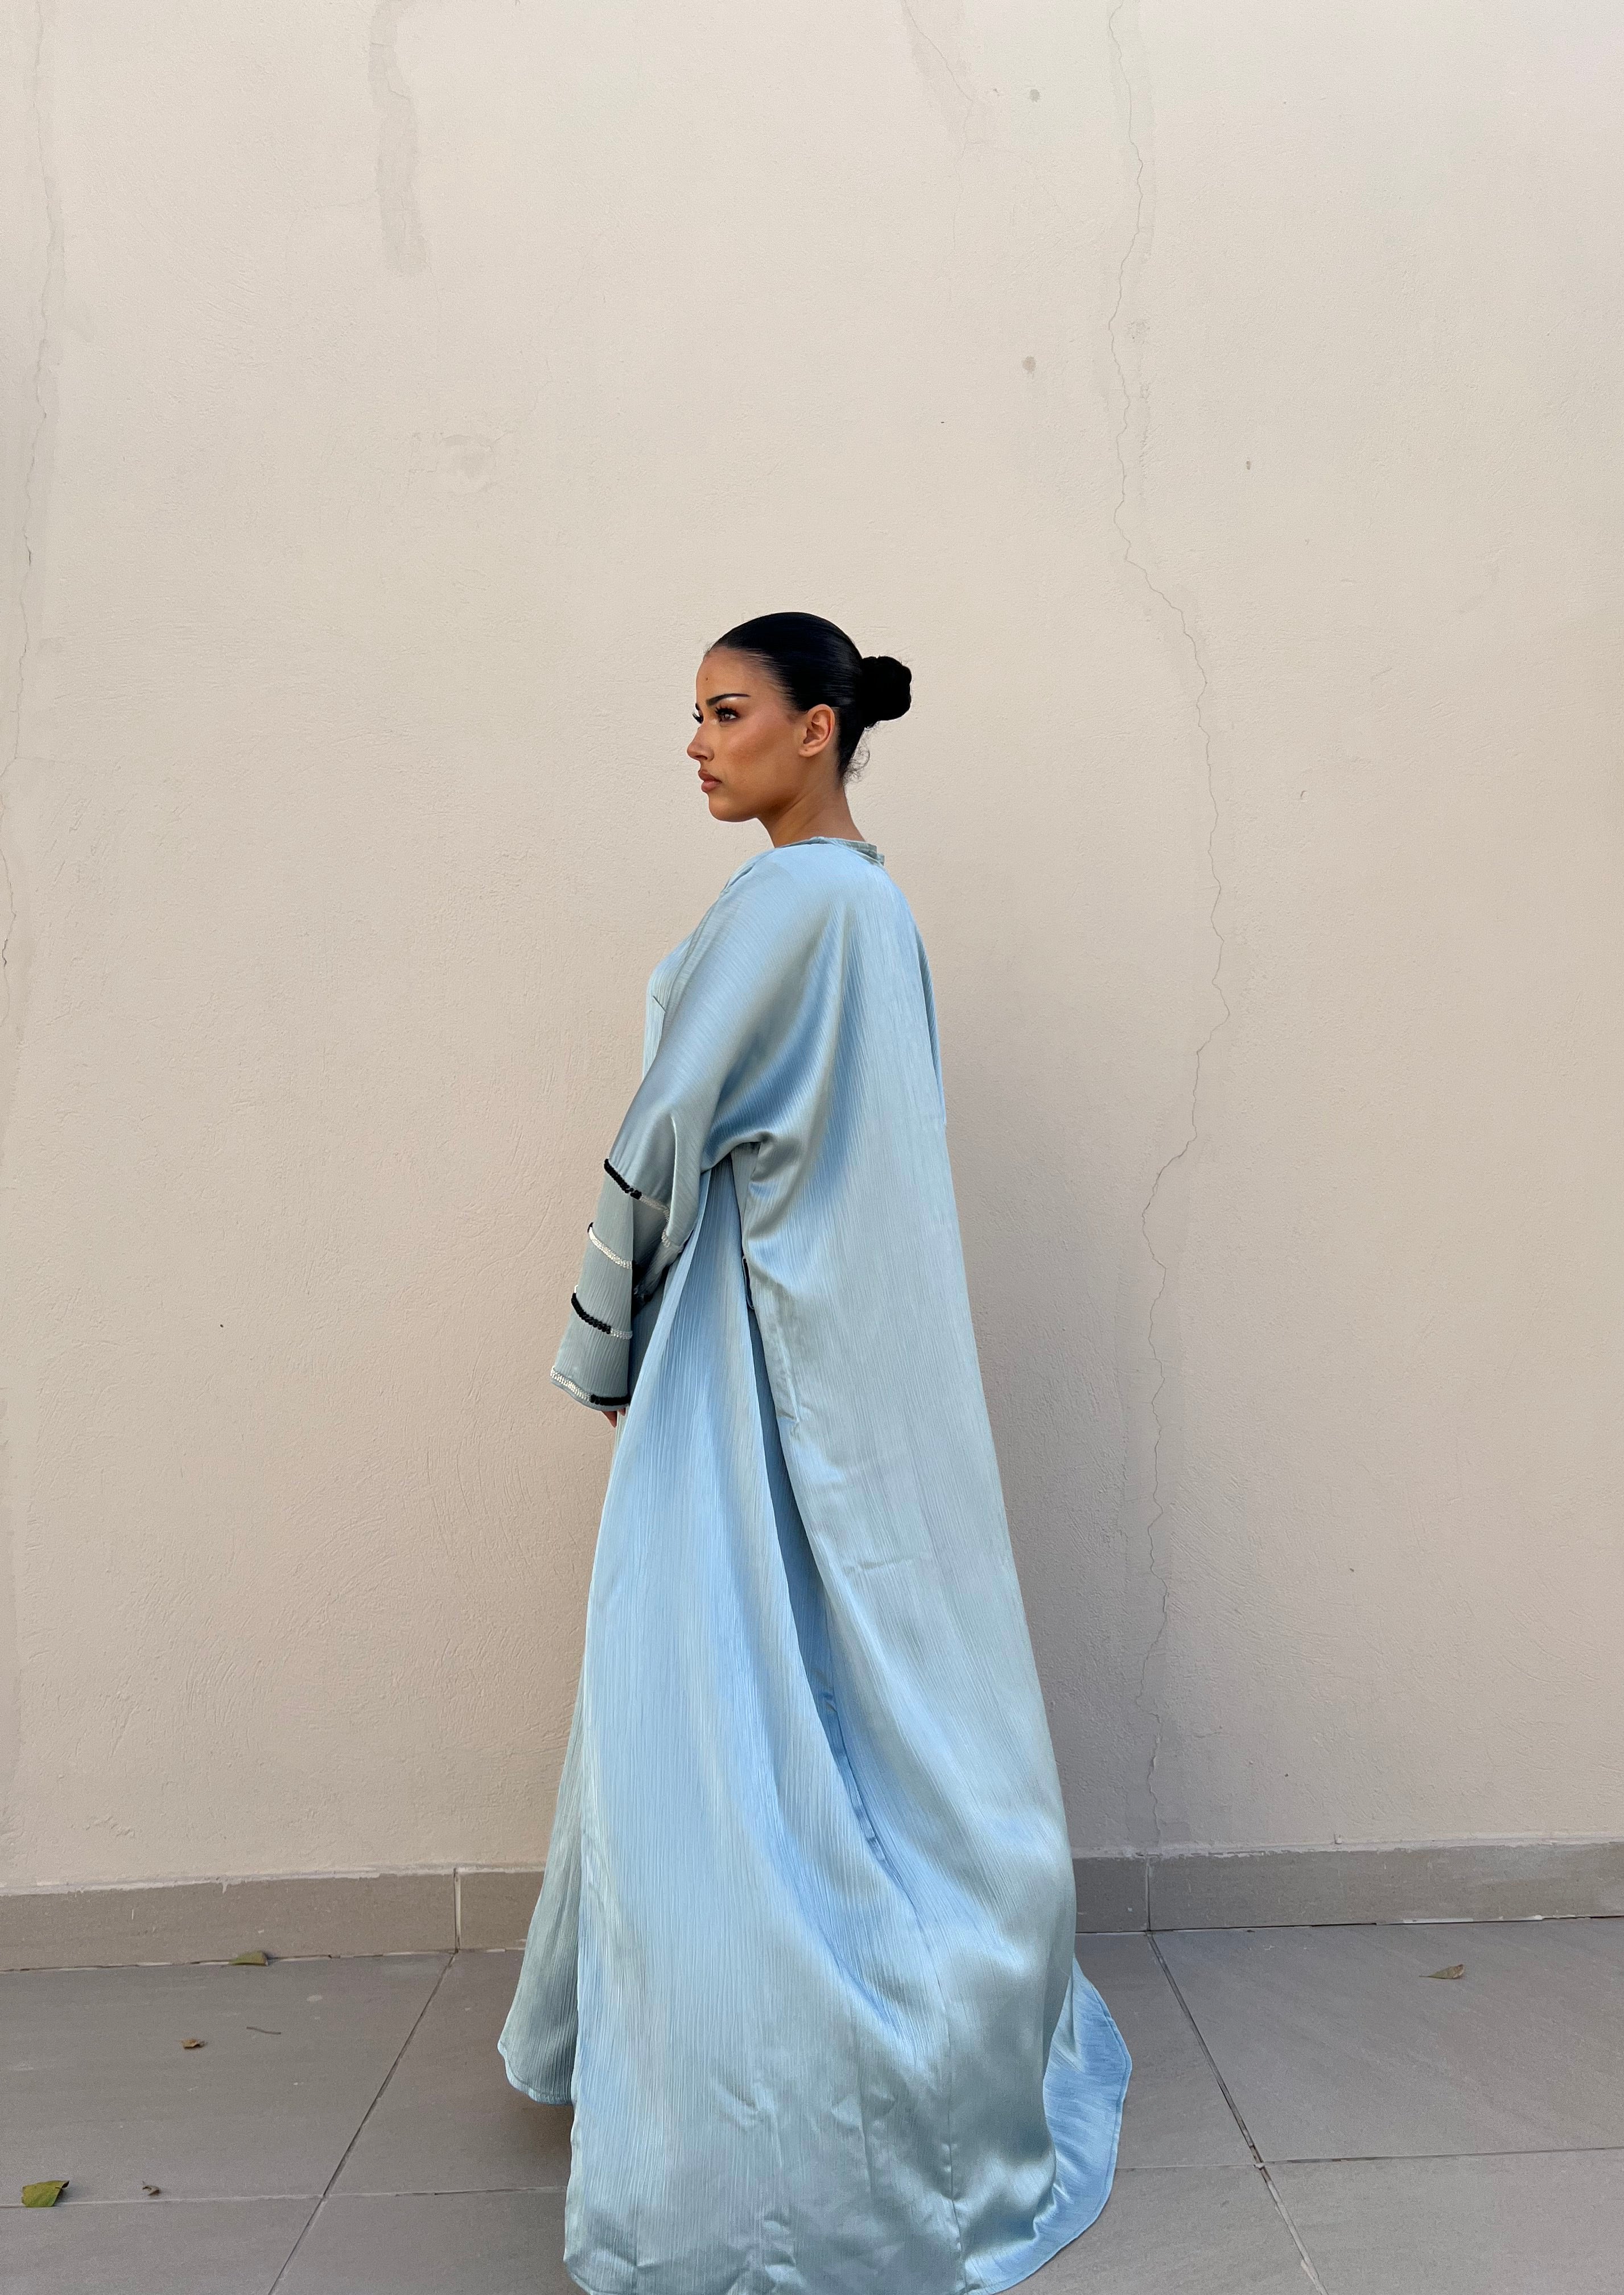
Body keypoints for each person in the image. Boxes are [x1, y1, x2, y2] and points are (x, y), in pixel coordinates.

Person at [500, 612, 1129, 2295]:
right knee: (819, 1686)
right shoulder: (873, 906)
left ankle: (761, 2088)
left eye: (728, 712)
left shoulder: (790, 904)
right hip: (830, 1340)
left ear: (819, 728)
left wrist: (606, 1340)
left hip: (743, 1338)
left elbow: (667, 1127)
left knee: (709, 1692)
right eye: (696, 717)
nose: (697, 745)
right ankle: (867, 2010)